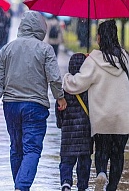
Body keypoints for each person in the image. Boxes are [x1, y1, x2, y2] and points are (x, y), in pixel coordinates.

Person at [0, 10, 67, 191]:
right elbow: (54, 78)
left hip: (11, 105)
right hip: (35, 106)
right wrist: (59, 97)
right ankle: (21, 187)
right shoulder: (45, 49)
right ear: (41, 28)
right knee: (32, 149)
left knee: (16, 148)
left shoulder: (7, 49)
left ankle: (19, 185)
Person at [63, 20, 129, 191]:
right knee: (118, 154)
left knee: (101, 150)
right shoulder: (125, 58)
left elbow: (78, 84)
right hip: (123, 116)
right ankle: (112, 187)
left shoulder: (94, 59)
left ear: (99, 37)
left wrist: (66, 78)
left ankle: (101, 172)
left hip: (101, 117)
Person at [55, 53, 92, 191]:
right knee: (84, 161)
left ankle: (66, 182)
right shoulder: (88, 86)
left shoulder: (64, 87)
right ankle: (82, 185)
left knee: (66, 160)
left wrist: (61, 124)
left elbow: (59, 110)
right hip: (85, 132)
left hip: (68, 133)